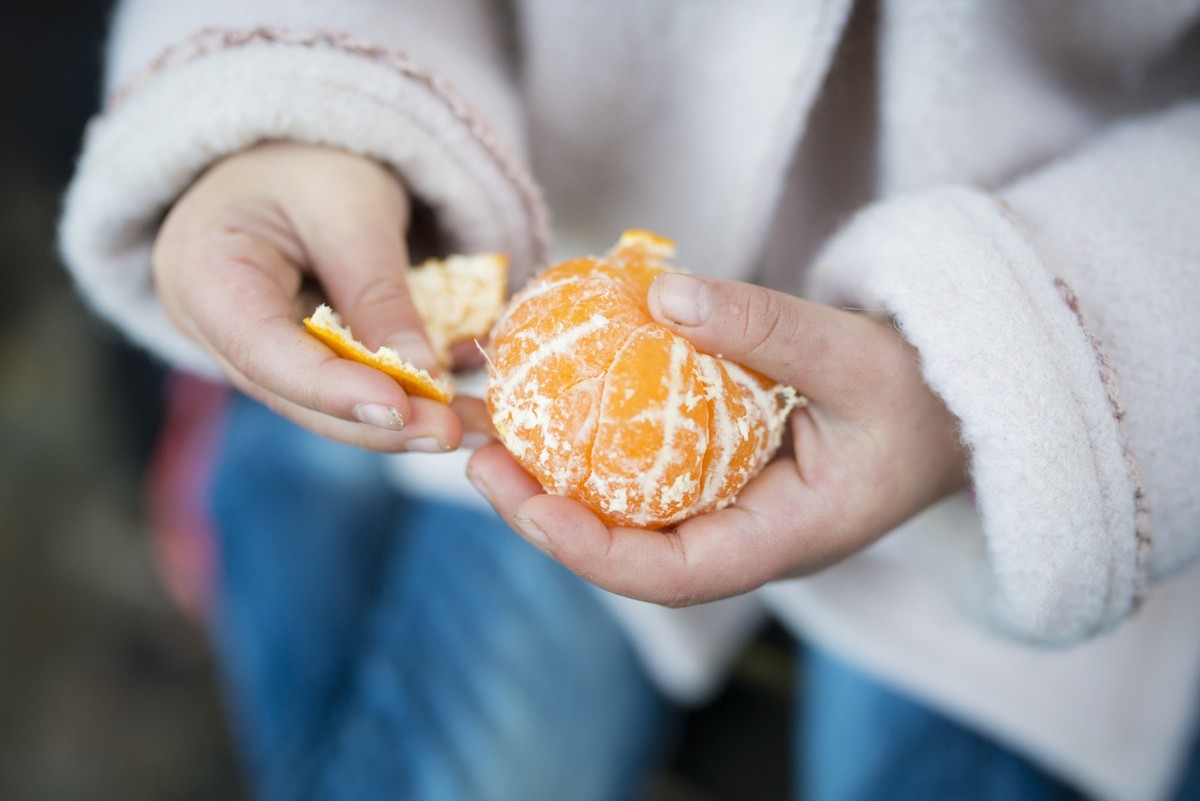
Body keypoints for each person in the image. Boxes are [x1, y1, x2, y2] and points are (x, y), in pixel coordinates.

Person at [59, 1, 1200, 800]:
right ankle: (273, 427)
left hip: (1053, 405)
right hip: (530, 263)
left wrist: (1024, 373)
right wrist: (297, 95)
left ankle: (268, 444)